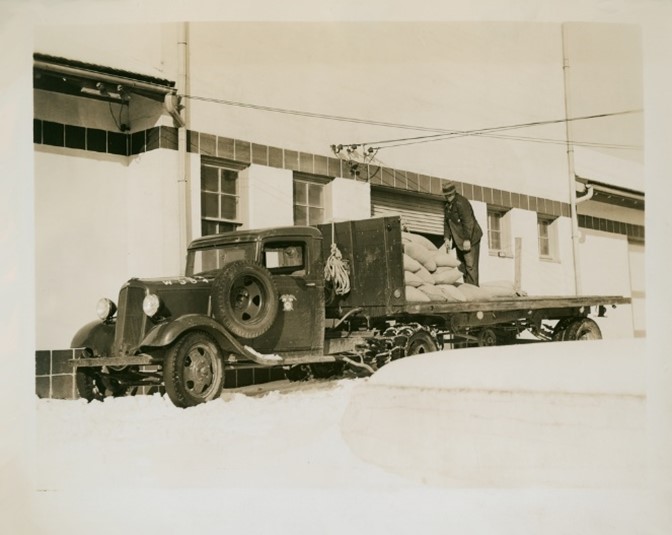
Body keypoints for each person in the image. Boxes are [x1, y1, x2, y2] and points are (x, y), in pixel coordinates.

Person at [442, 181, 483, 286]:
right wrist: (447, 238)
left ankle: (473, 290)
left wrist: (467, 239)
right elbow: (447, 223)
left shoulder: (461, 202)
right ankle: (468, 289)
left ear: (454, 193)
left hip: (470, 239)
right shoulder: (447, 205)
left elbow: (468, 222)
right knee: (462, 266)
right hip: (459, 240)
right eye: (446, 195)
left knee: (471, 266)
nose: (448, 197)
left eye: (450, 195)